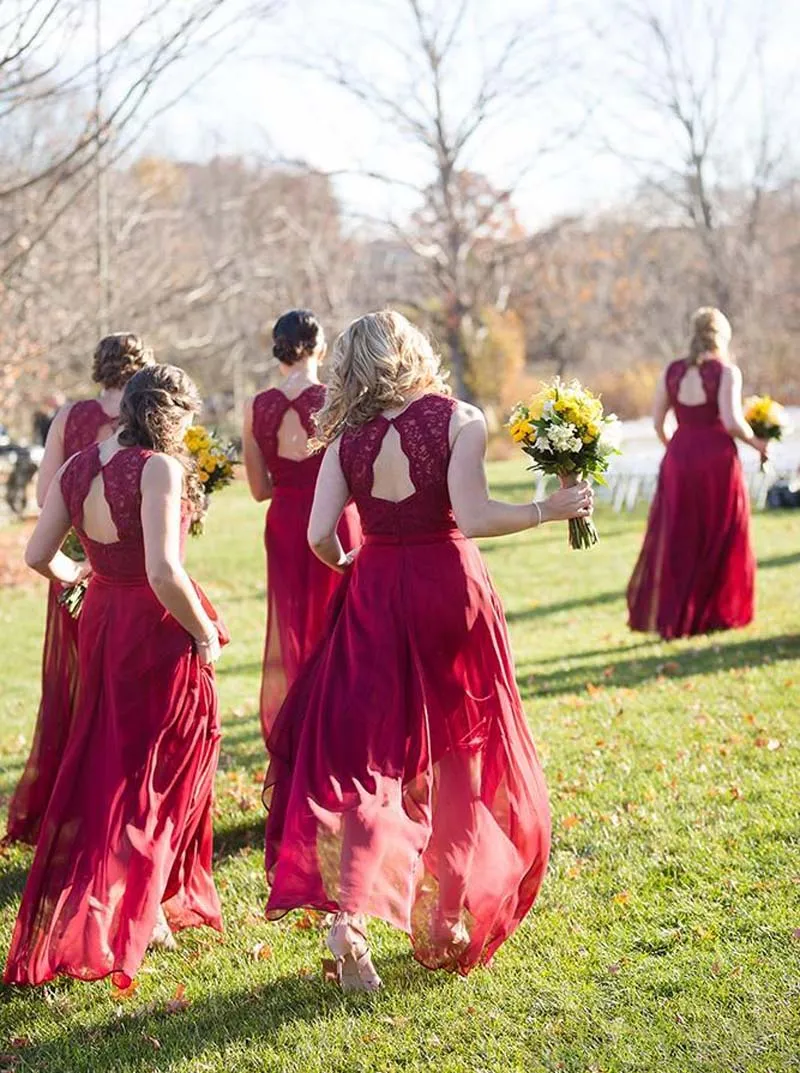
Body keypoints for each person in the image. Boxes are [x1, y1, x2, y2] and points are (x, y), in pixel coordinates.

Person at [262, 310, 593, 991]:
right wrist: (547, 510)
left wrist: (355, 558)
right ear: (412, 350)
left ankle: (348, 917)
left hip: (376, 589)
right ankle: (443, 917)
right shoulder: (457, 417)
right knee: (459, 754)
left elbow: (321, 533)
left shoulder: (345, 437)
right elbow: (472, 517)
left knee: (369, 761)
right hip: (450, 588)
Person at [4, 364, 226, 987]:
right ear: (172, 414)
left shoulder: (77, 467)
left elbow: (35, 555)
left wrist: (81, 577)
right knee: (169, 758)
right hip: (151, 624)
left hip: (101, 618)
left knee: (113, 756)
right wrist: (204, 631)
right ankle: (142, 902)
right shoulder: (159, 468)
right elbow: (163, 570)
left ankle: (133, 895)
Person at [5, 335, 154, 845]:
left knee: (74, 686)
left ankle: (68, 804)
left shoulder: (70, 416)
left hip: (74, 560)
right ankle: (117, 801)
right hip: (134, 571)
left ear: (99, 368)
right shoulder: (151, 417)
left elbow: (49, 494)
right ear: (143, 370)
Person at [242, 310, 359, 745]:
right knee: (344, 621)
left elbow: (257, 489)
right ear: (321, 348)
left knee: (293, 624)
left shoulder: (257, 407)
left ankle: (300, 729)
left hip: (286, 521)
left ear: (278, 349)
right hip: (337, 519)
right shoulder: (338, 399)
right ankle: (342, 724)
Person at [627, 307, 766, 638]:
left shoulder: (671, 371)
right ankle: (713, 613)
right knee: (720, 532)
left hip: (679, 456)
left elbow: (658, 423)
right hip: (716, 459)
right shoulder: (726, 372)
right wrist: (757, 443)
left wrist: (675, 448)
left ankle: (676, 618)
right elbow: (732, 422)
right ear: (723, 335)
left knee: (679, 535)